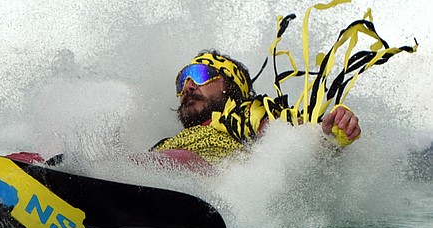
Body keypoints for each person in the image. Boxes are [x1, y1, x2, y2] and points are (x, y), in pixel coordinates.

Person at [149, 50, 361, 171]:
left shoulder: (245, 115)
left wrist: (331, 134)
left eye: (200, 74)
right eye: (181, 82)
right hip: (155, 175)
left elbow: (291, 138)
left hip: (209, 183)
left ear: (230, 85)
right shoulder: (168, 141)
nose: (188, 86)